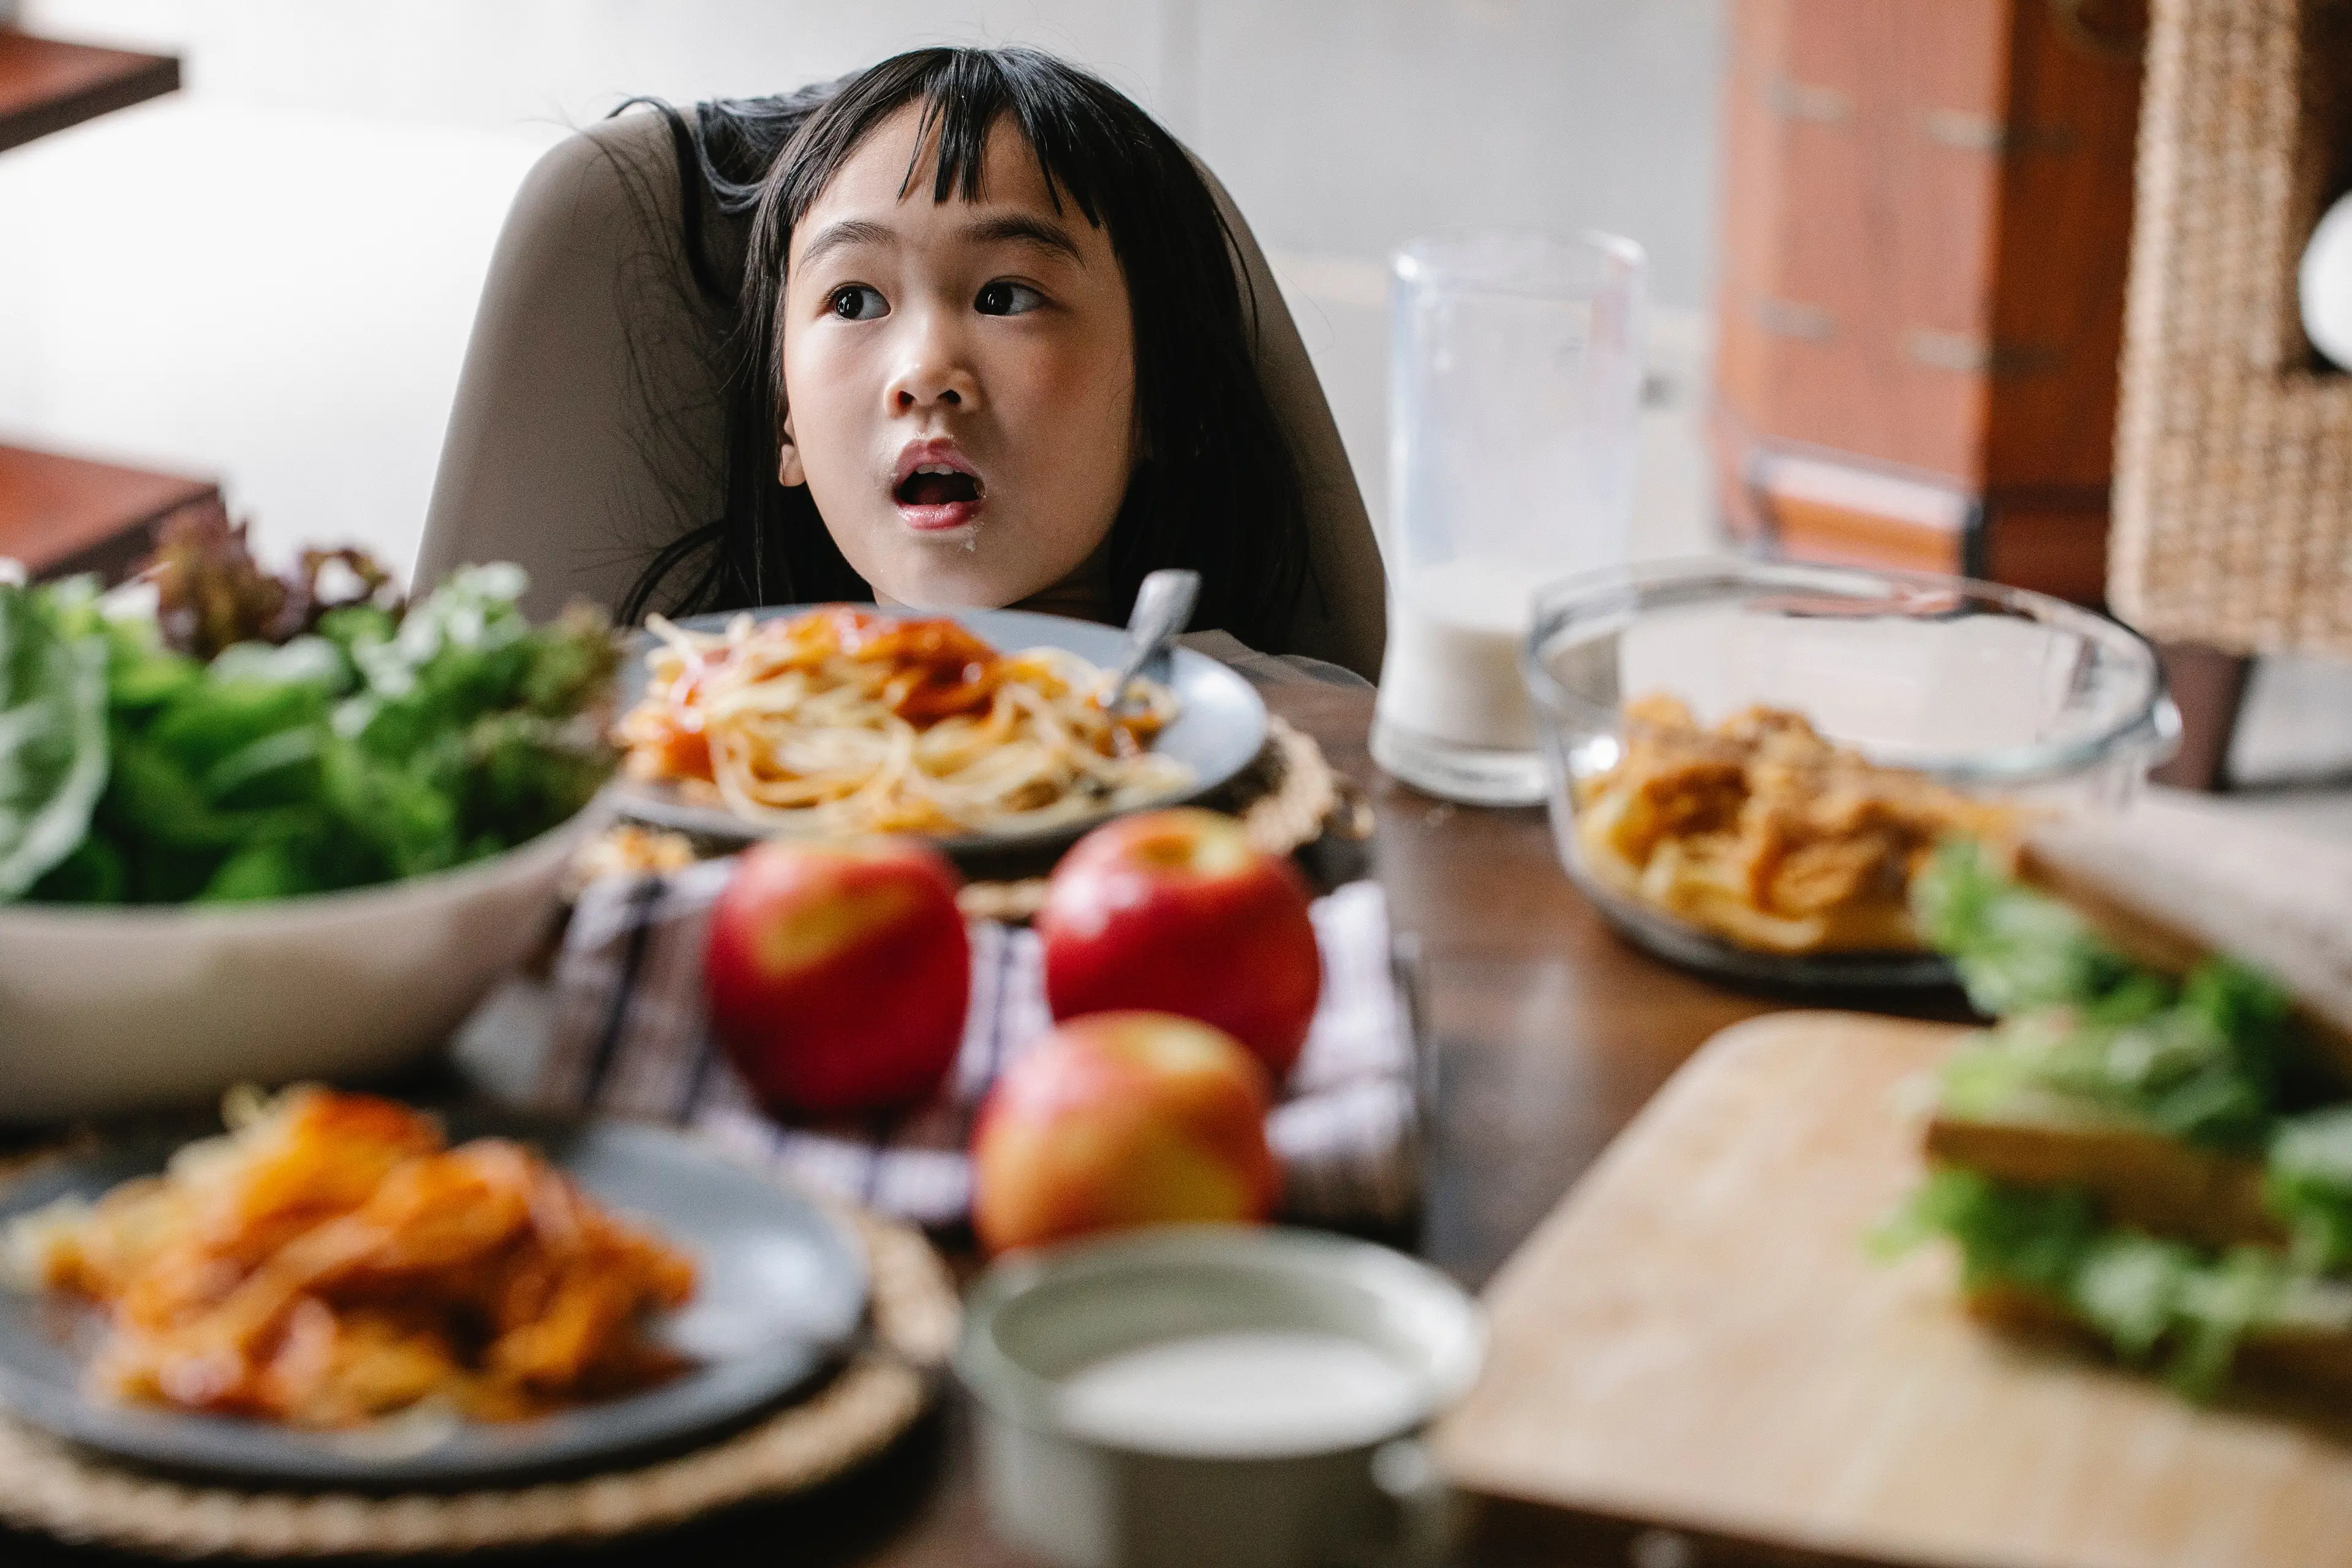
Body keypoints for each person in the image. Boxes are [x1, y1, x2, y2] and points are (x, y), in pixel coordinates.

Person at [616, 47, 1315, 657]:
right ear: (784, 420)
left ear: (1170, 396)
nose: (924, 373)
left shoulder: (1286, 736)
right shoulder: (697, 746)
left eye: (1005, 297)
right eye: (854, 301)